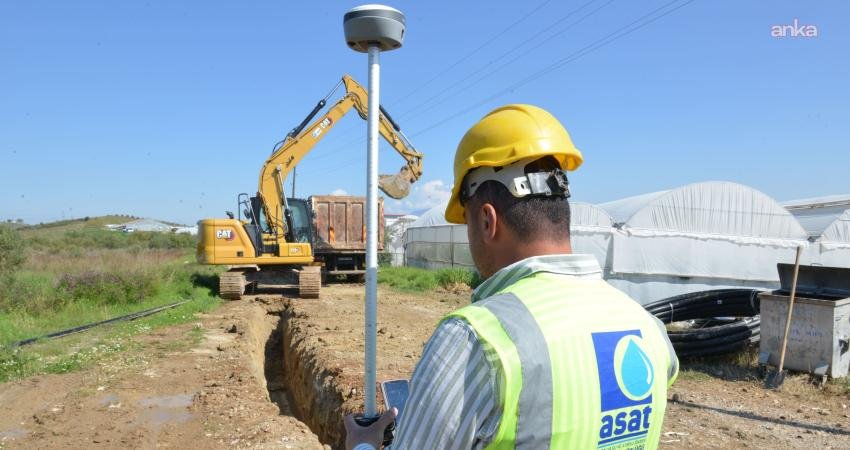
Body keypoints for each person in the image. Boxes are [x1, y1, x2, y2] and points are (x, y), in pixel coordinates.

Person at [345, 104, 678, 450]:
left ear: (487, 221)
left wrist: (363, 445)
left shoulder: (477, 339)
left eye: (468, 223)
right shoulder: (647, 329)